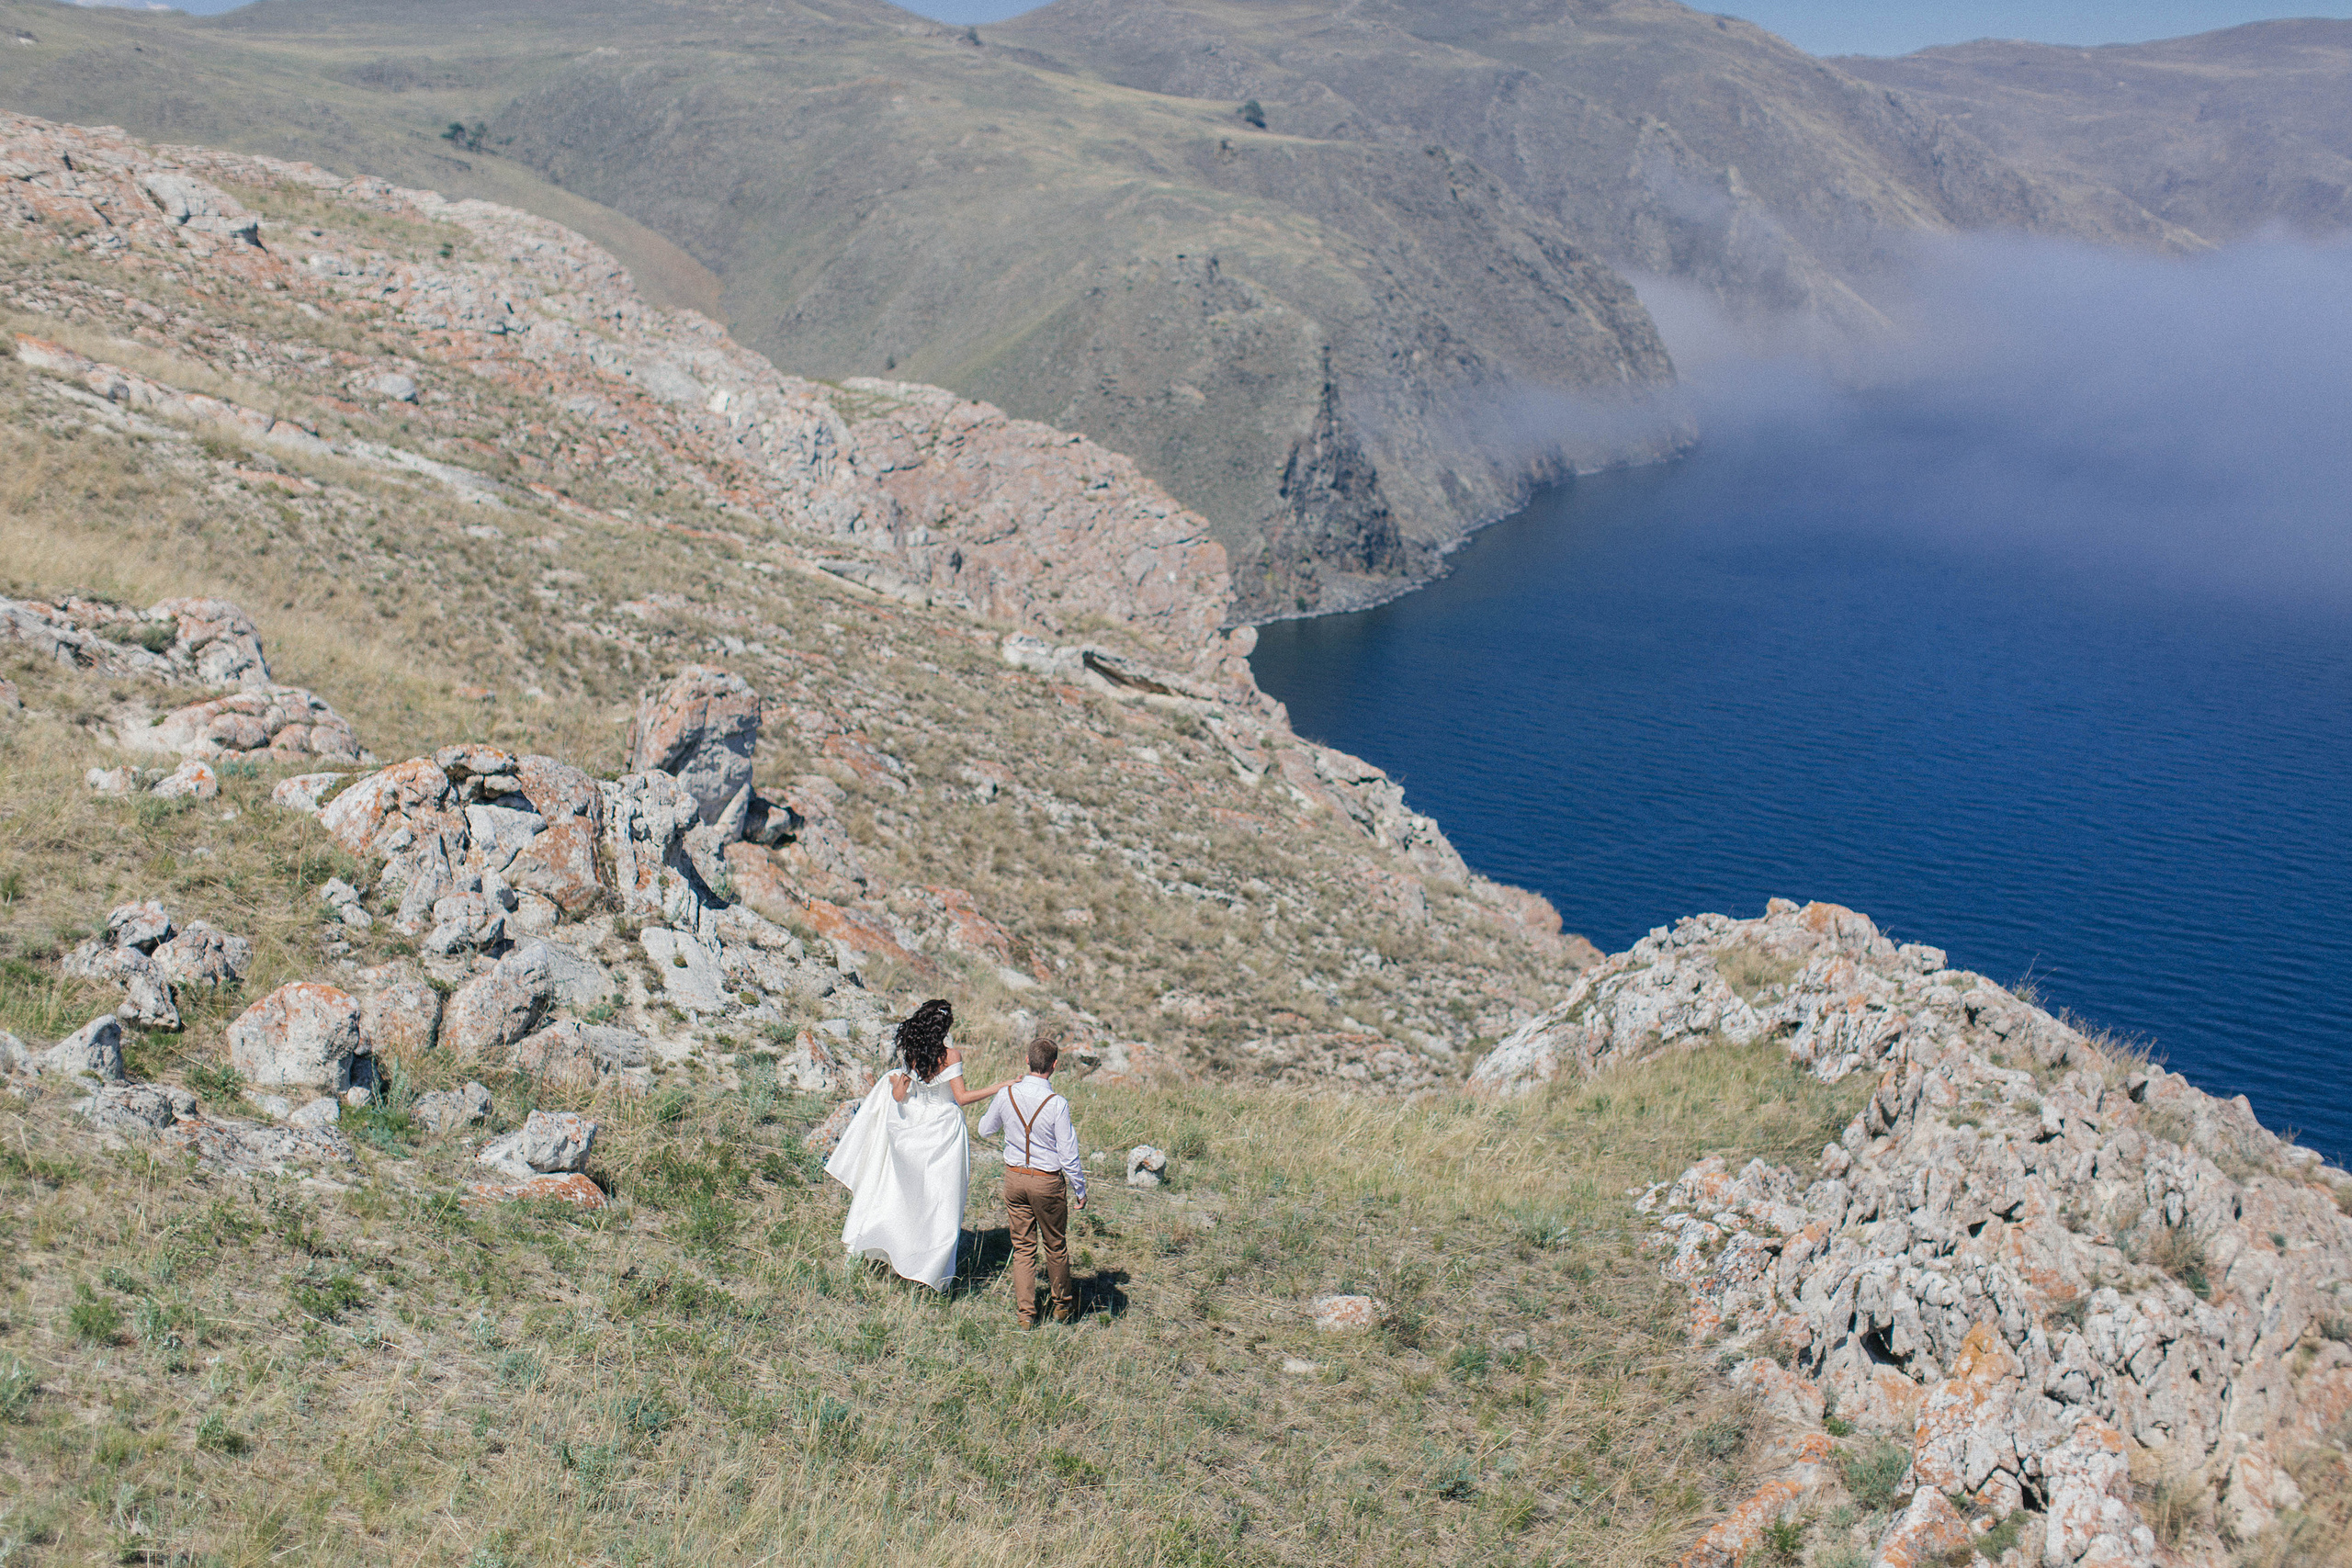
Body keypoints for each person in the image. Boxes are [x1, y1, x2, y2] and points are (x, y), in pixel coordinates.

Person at [824, 999, 1011, 1290]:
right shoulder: (952, 1056)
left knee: (902, 1194)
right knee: (940, 1200)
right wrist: (999, 1087)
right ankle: (928, 1267)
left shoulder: (914, 1053)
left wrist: (897, 1080)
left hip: (912, 1128)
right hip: (942, 1131)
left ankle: (891, 1245)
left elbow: (899, 1096)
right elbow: (961, 1098)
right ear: (945, 1027)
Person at [977, 1034, 1087, 1326]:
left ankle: (1026, 1314)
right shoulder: (1057, 1104)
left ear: (1027, 1060)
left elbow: (984, 1129)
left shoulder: (1007, 1094)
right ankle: (1062, 1305)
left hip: (1014, 1178)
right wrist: (1080, 1188)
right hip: (1047, 1181)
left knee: (1023, 1247)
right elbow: (1068, 1154)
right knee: (1055, 1244)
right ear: (1054, 1065)